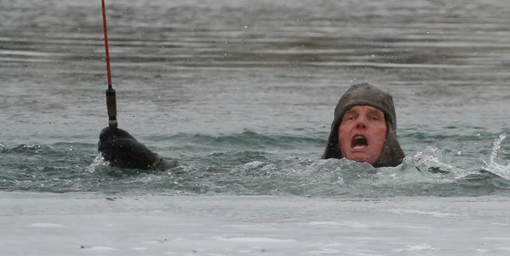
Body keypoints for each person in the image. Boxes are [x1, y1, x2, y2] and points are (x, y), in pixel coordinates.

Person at [97, 82, 405, 169]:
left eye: (373, 117)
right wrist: (152, 163)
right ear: (337, 136)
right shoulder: (310, 174)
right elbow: (221, 177)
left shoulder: (420, 175)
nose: (361, 122)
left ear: (389, 134)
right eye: (351, 118)